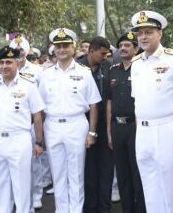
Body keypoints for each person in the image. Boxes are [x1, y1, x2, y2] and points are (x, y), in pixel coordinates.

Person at [129, 10, 173, 213]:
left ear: (160, 34)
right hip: (143, 131)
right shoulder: (136, 63)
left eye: (148, 32)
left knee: (172, 192)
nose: (143, 37)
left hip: (169, 129)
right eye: (140, 33)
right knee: (150, 189)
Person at [38, 28, 102, 212]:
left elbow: (94, 105)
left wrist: (92, 132)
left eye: (66, 45)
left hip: (76, 125)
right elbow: (40, 109)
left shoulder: (84, 72)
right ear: (54, 49)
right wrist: (40, 138)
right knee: (57, 175)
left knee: (76, 174)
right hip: (53, 125)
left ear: (73, 47)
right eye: (58, 46)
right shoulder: (46, 74)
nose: (62, 49)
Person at [0, 46, 45, 212]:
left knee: (22, 186)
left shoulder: (28, 85)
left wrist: (39, 142)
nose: (4, 66)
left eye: (8, 62)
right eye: (1, 62)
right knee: (0, 187)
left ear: (17, 63)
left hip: (19, 139)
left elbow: (37, 116)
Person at [8, 34, 51, 208]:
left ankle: (36, 194)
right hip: (15, 124)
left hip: (34, 122)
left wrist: (40, 123)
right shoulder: (6, 68)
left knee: (36, 162)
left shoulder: (38, 71)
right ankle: (18, 199)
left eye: (21, 50)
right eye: (16, 51)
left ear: (27, 51)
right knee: (16, 164)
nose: (19, 53)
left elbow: (44, 99)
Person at [106, 32, 146, 213]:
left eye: (127, 45)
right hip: (117, 127)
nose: (123, 48)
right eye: (121, 45)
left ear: (136, 49)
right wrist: (109, 132)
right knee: (122, 174)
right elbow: (109, 102)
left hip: (135, 128)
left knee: (138, 173)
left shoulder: (142, 69)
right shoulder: (113, 70)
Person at [77, 36, 114, 213]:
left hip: (104, 124)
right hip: (83, 125)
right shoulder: (77, 67)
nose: (105, 57)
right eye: (102, 53)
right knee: (88, 170)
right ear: (91, 51)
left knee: (106, 169)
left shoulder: (108, 67)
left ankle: (104, 207)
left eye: (107, 54)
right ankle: (90, 207)